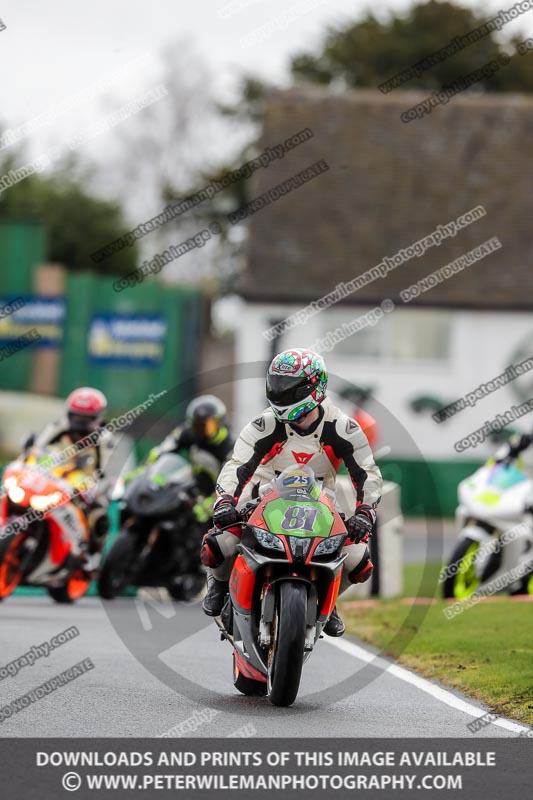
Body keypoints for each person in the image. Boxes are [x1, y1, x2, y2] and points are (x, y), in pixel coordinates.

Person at [200, 349, 382, 636]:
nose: (279, 393)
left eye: (287, 388)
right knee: (217, 545)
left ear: (314, 387)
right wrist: (225, 501)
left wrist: (365, 511)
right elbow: (237, 465)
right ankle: (220, 584)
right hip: (261, 497)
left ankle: (329, 600)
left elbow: (367, 473)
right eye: (275, 385)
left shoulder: (344, 427)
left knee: (359, 558)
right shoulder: (263, 424)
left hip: (320, 504)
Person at [33, 387, 114, 566]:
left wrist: (89, 484)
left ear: (97, 418)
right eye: (76, 416)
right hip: (53, 475)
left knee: (98, 513)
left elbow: (102, 471)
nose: (80, 422)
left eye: (85, 418)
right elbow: (37, 449)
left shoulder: (105, 438)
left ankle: (92, 555)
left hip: (85, 479)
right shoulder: (58, 426)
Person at [149, 395, 234, 523]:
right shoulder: (187, 432)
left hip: (215, 494)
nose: (202, 431)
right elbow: (162, 450)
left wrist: (211, 503)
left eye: (207, 425)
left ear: (219, 423)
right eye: (198, 426)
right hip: (193, 484)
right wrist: (147, 473)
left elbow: (231, 481)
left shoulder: (229, 446)